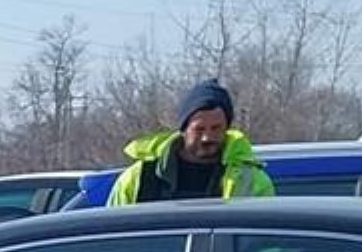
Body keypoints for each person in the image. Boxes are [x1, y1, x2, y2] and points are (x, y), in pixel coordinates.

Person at [107, 80, 273, 204]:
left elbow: (266, 243)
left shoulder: (251, 180)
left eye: (216, 128)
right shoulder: (139, 179)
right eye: (199, 129)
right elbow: (111, 237)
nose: (207, 138)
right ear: (183, 129)